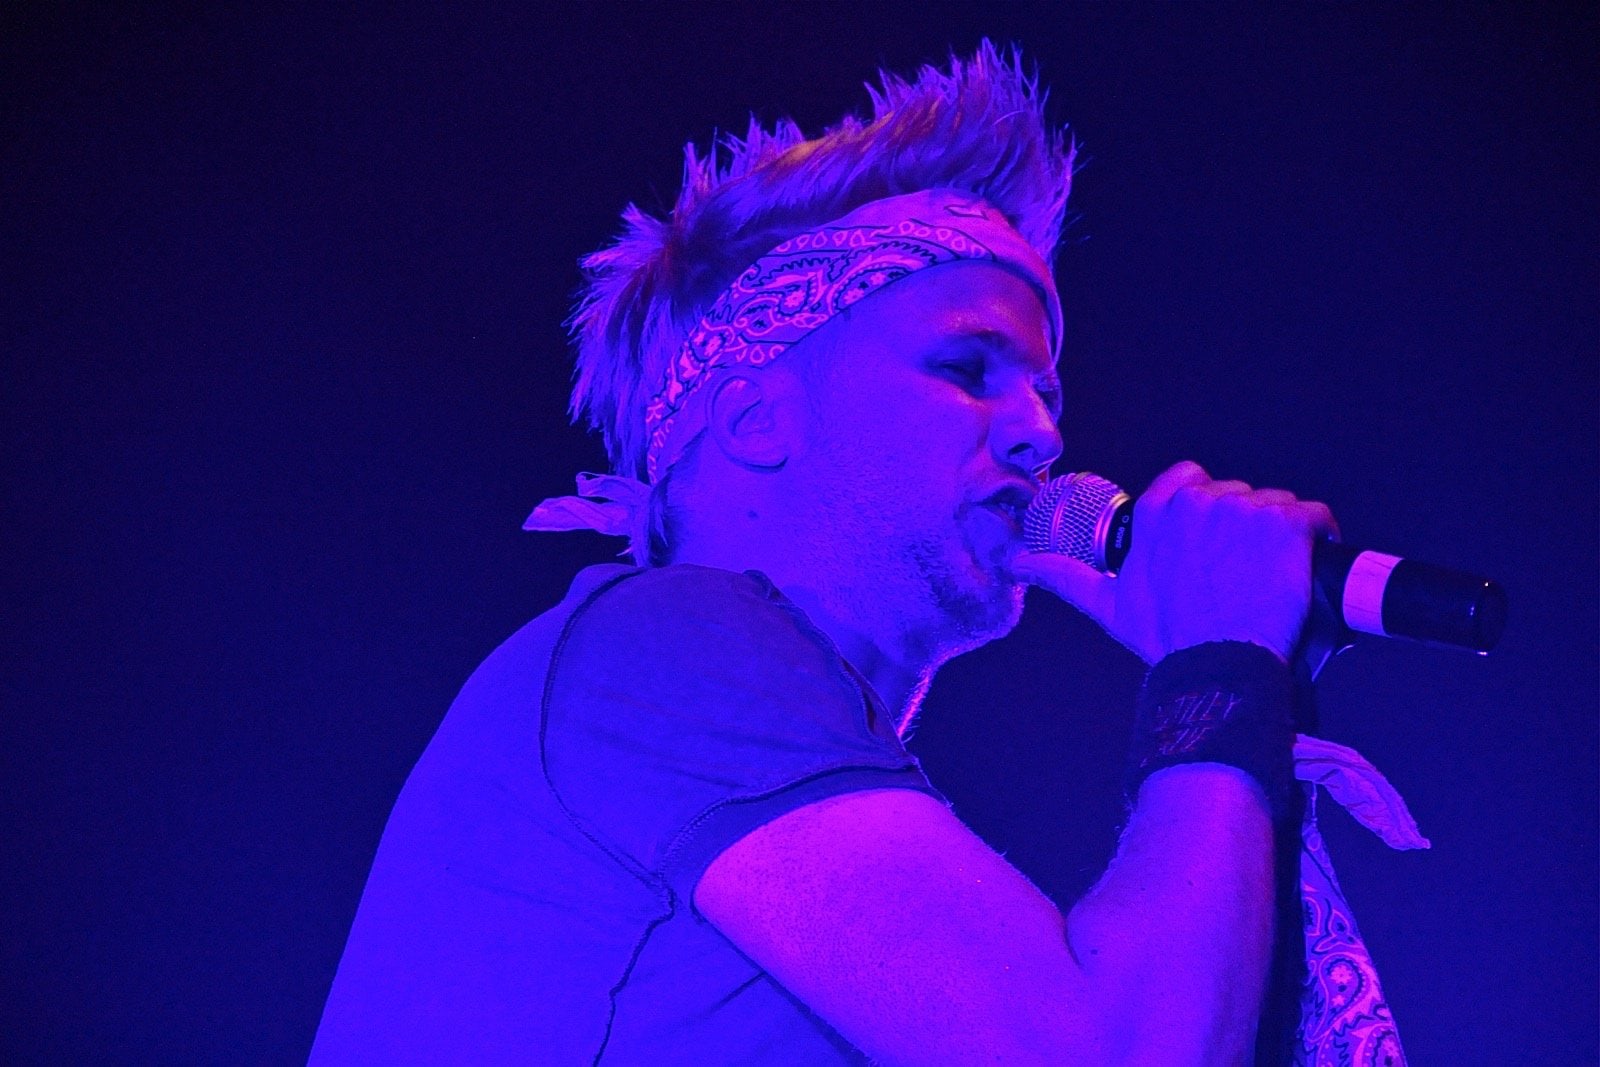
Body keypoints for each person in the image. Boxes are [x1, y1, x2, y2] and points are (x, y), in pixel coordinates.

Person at [312, 43, 1397, 1064]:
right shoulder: (666, 639)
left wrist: (1240, 702)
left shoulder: (794, 801)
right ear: (756, 420)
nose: (1041, 433)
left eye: (1045, 392)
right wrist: (1217, 665)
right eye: (966, 371)